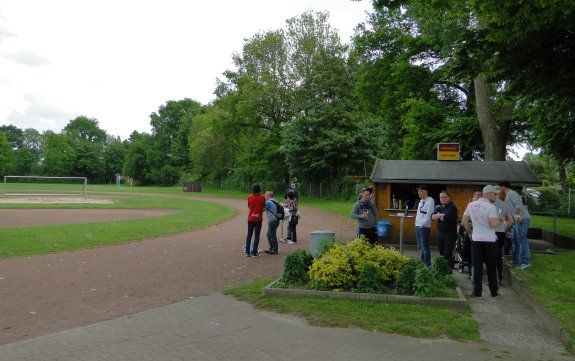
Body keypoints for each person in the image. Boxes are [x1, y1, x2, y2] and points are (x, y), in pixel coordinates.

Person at [462, 185, 503, 298]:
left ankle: (477, 292)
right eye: (495, 194)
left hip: (476, 239)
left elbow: (464, 221)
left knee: (477, 266)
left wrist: (470, 233)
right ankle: (494, 292)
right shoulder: (491, 207)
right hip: (489, 240)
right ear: (489, 194)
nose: (496, 196)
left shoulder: (471, 205)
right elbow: (493, 224)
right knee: (491, 266)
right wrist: (500, 219)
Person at [499, 181, 532, 269]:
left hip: (523, 219)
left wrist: (517, 216)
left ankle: (526, 262)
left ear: (503, 187)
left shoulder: (512, 193)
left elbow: (518, 205)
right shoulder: (508, 195)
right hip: (517, 221)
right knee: (514, 239)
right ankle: (515, 260)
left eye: (499, 188)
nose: (499, 191)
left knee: (522, 239)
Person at [431, 190, 458, 270]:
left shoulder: (452, 207)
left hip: (449, 235)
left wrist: (438, 215)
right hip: (440, 234)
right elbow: (432, 217)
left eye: (444, 197)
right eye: (441, 197)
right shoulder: (439, 207)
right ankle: (443, 272)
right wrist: (440, 216)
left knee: (447, 254)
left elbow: (446, 218)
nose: (442, 199)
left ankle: (448, 273)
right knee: (442, 254)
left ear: (448, 198)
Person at [493, 186, 514, 282]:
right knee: (498, 255)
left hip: (491, 232)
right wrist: (505, 229)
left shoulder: (490, 203)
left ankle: (492, 276)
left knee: (490, 254)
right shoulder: (505, 205)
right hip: (501, 232)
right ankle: (499, 276)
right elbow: (511, 221)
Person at [415, 184, 435, 267]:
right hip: (418, 225)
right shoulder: (421, 201)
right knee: (420, 246)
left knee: (424, 246)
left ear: (425, 192)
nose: (419, 193)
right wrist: (416, 223)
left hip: (424, 227)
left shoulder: (430, 201)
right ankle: (422, 262)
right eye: (418, 191)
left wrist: (422, 224)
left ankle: (427, 264)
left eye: (420, 191)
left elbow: (429, 214)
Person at [244, 184, 266, 257]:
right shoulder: (262, 197)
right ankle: (254, 252)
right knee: (257, 235)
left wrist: (253, 212)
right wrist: (258, 212)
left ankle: (247, 252)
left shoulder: (250, 197)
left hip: (250, 218)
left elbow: (249, 206)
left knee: (249, 235)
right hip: (258, 219)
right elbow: (263, 208)